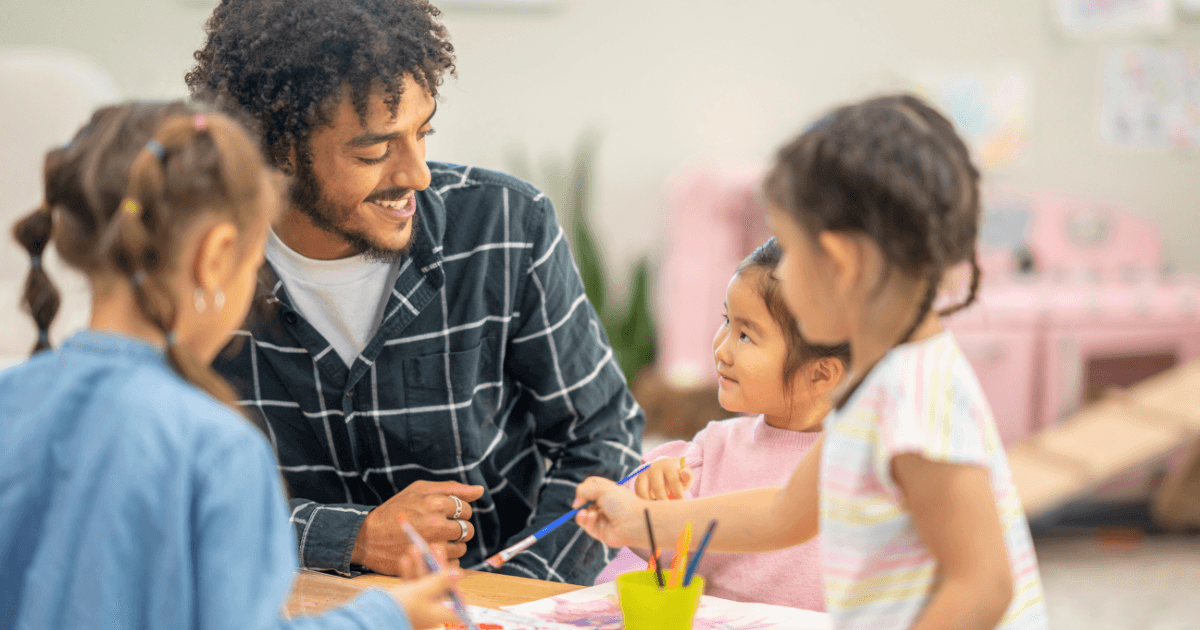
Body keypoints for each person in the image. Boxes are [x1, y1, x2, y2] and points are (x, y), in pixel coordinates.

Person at [186, 0, 643, 584]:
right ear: (275, 149)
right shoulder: (201, 265)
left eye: (423, 133)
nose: (416, 175)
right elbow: (177, 492)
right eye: (374, 151)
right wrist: (351, 536)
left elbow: (603, 436)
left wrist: (517, 594)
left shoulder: (506, 225)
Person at [572, 95, 1048, 629]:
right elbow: (783, 514)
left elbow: (983, 586)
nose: (782, 269)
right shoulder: (878, 380)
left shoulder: (915, 392)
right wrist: (640, 520)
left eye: (791, 251)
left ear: (841, 264)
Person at [0, 101, 462, 630]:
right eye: (253, 266)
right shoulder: (215, 447)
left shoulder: (8, 400)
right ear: (215, 257)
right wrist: (389, 615)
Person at [594, 238, 847, 610]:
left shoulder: (857, 467)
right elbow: (655, 559)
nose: (721, 349)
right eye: (727, 321)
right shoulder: (712, 449)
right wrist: (649, 491)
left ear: (821, 374)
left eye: (746, 335)